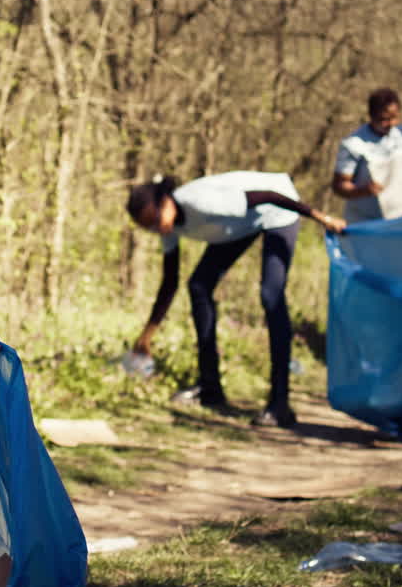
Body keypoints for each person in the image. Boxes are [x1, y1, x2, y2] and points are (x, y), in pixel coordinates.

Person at [127, 172, 346, 428]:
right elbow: (169, 283)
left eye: (155, 219)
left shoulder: (199, 201)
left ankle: (279, 403)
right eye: (149, 227)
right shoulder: (169, 225)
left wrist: (320, 216)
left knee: (270, 293)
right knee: (199, 286)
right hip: (241, 226)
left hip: (277, 208)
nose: (157, 228)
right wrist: (147, 335)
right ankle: (210, 388)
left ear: (165, 201)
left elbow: (267, 196)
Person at [330, 87, 402, 223]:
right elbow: (339, 186)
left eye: (394, 118)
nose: (391, 124)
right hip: (366, 223)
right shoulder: (354, 145)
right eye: (384, 119)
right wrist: (364, 191)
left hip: (401, 218)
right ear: (371, 116)